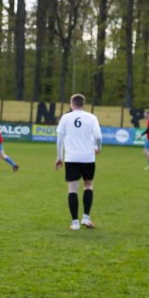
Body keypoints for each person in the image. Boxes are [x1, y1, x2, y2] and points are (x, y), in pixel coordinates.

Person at [55, 93, 102, 230]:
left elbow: (59, 140)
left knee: (72, 190)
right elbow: (98, 136)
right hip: (88, 158)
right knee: (88, 186)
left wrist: (59, 157)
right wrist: (98, 148)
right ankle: (86, 218)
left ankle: (75, 223)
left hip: (71, 158)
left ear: (72, 104)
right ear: (83, 104)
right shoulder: (92, 117)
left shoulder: (65, 118)